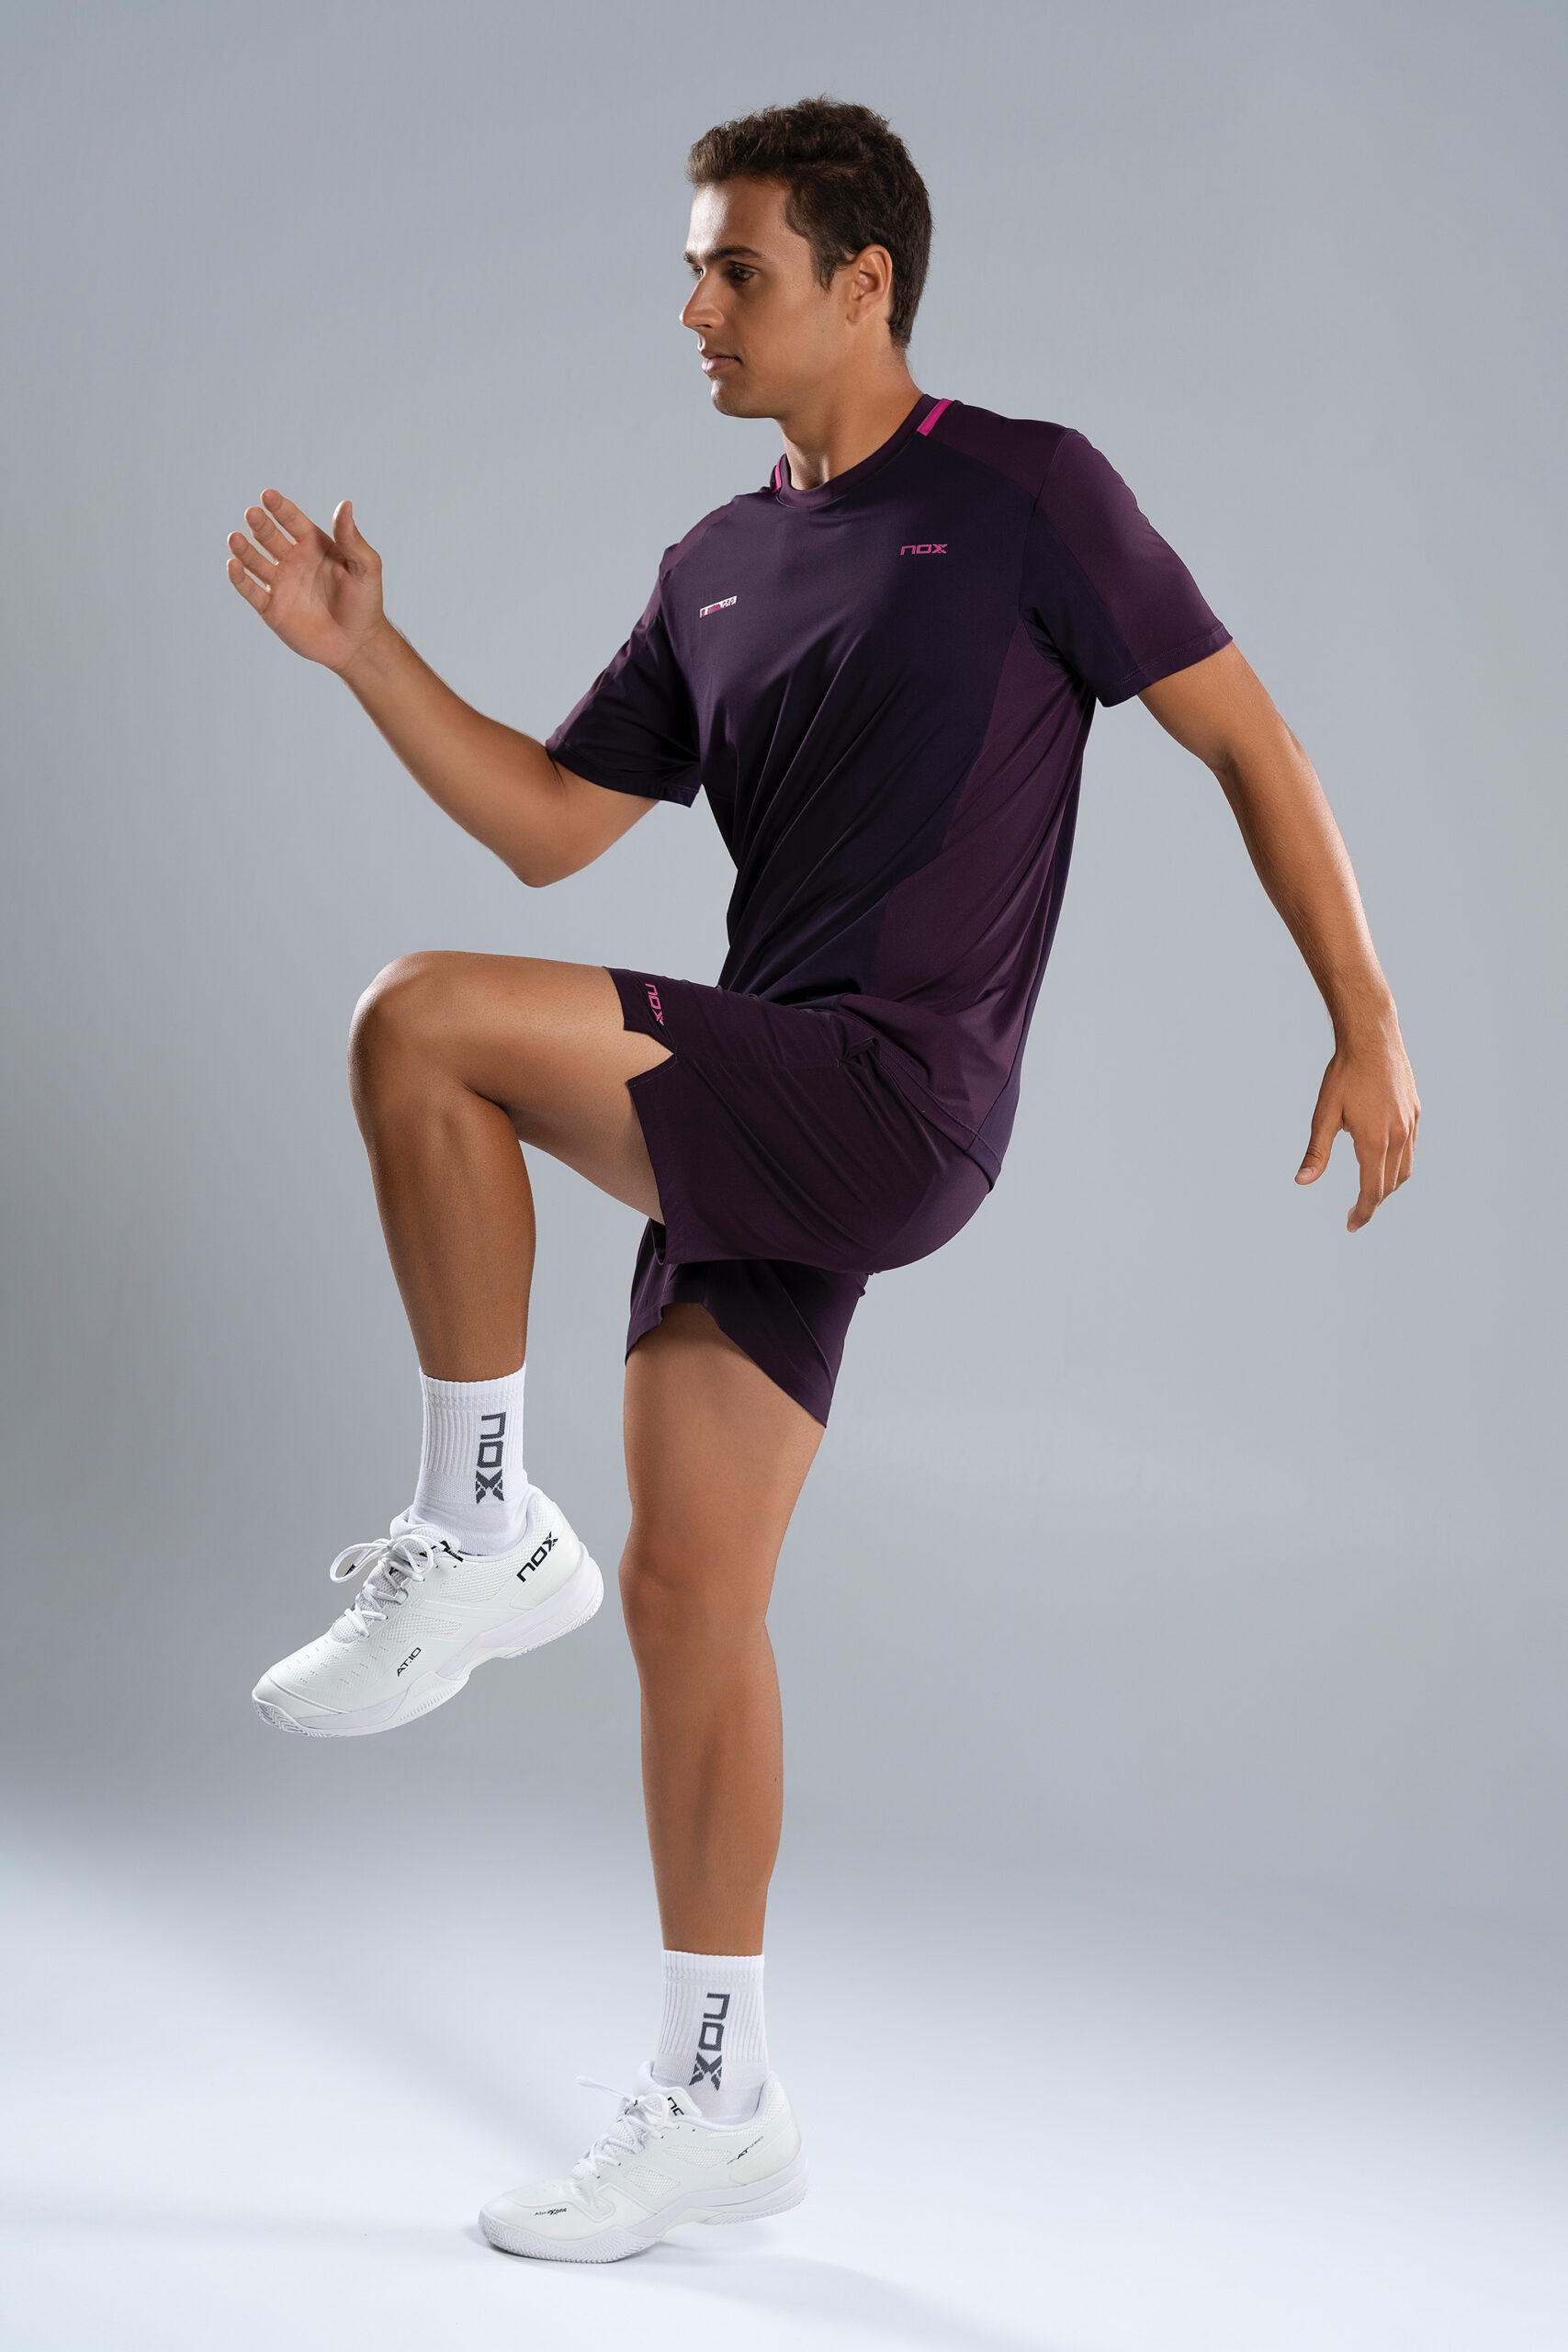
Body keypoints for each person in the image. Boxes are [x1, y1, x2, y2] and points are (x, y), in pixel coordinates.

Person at [224, 96, 1419, 2263]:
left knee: (416, 1018)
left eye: (734, 268)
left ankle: (474, 1523)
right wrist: (364, 651)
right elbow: (551, 828)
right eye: (691, 266)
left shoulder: (1028, 493)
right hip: (760, 1097)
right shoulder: (710, 562)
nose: (693, 306)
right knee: (689, 1595)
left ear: (863, 283)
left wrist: (1362, 1013)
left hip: (888, 1088)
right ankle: (719, 2095)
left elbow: (1244, 735)